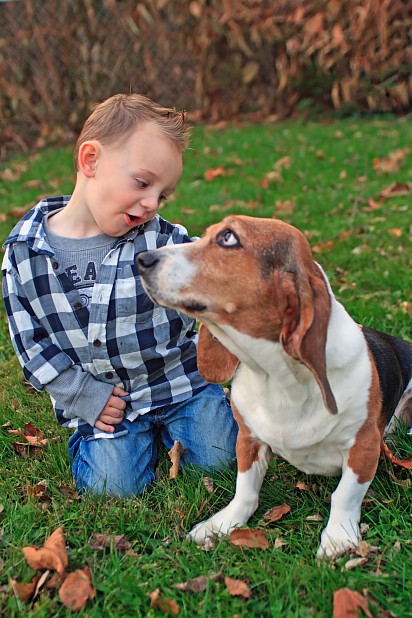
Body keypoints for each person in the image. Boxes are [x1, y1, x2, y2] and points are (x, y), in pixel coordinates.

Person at [2, 93, 237, 497]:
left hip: (179, 383)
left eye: (162, 194)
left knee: (221, 459)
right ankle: (133, 441)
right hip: (109, 404)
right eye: (143, 183)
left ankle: (188, 425)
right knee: (112, 488)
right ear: (90, 161)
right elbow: (30, 344)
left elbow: (210, 271)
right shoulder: (25, 253)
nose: (150, 203)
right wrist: (82, 394)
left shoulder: (161, 241)